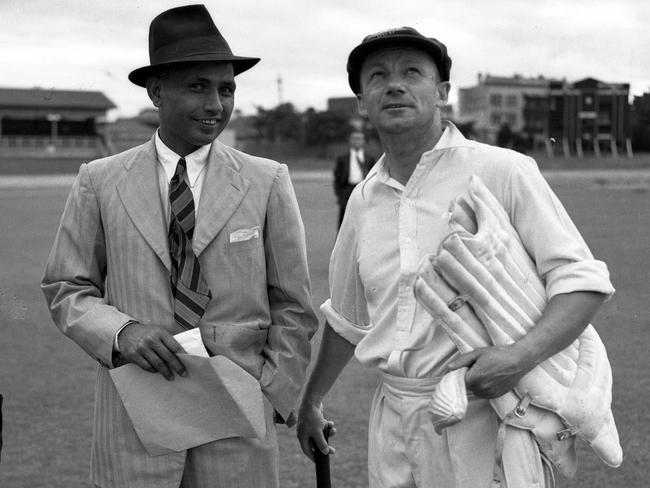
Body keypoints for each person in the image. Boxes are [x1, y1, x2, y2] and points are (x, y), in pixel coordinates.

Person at [296, 27, 614, 487]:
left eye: (412, 72)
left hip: (486, 415)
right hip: (393, 421)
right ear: (362, 102)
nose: (395, 84)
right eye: (378, 76)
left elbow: (581, 283)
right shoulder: (364, 199)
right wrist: (312, 400)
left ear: (442, 92)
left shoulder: (502, 170)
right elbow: (348, 319)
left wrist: (518, 357)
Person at [42, 5, 318, 488]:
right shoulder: (99, 181)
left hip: (238, 426)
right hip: (136, 426)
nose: (216, 104)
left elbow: (293, 306)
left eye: (226, 88)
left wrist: (274, 390)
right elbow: (67, 287)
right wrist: (121, 332)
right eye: (197, 86)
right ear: (156, 91)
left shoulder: (267, 180)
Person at [333, 130, 376, 228]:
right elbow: (337, 178)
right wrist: (340, 194)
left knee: (365, 220)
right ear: (350, 141)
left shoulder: (370, 159)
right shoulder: (342, 159)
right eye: (354, 138)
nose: (357, 141)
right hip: (347, 191)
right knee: (344, 223)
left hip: (364, 192)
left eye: (359, 138)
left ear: (364, 141)